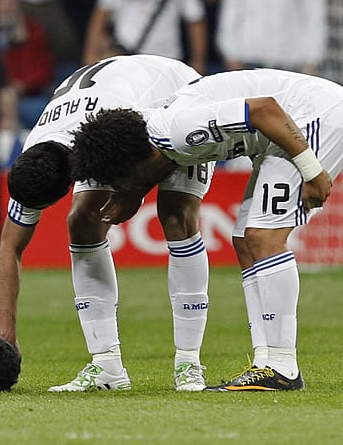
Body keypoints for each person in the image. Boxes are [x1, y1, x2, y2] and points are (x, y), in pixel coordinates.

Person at [69, 68, 341, 391]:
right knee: (244, 240)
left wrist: (312, 171)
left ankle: (282, 366)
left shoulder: (178, 130)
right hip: (282, 131)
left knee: (264, 237)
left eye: (119, 180)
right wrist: (135, 190)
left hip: (312, 117)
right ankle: (266, 362)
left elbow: (264, 109)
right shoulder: (158, 136)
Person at [0, 55, 214, 392]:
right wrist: (6, 332)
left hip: (175, 97)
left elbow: (164, 151)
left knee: (176, 214)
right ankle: (106, 365)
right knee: (82, 220)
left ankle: (189, 362)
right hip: (102, 107)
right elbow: (10, 247)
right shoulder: (36, 154)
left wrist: (134, 192)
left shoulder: (119, 123)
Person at [82, 0, 207, 75]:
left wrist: (198, 61)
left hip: (166, 59)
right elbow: (101, 14)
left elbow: (195, 20)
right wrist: (90, 55)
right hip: (125, 57)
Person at [216, 0, 328, 74]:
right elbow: (232, 3)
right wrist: (229, 50)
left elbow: (312, 9)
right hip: (248, 54)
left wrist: (312, 55)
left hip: (289, 58)